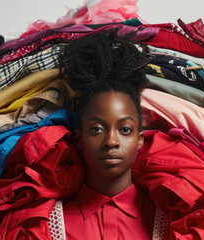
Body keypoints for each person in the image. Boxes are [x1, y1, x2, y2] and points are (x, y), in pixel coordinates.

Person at [54, 31, 159, 239]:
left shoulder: (168, 218)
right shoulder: (51, 224)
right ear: (79, 139)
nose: (111, 142)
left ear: (140, 139)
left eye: (125, 130)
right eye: (96, 129)